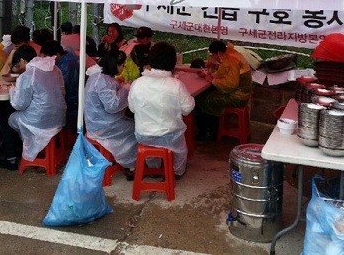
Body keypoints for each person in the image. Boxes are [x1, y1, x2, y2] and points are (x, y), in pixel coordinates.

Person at [128, 42, 195, 178]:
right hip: (169, 136)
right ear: (172, 62)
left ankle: (154, 168)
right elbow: (187, 109)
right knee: (181, 149)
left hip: (143, 135)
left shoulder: (137, 83)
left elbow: (132, 108)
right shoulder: (176, 85)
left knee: (151, 143)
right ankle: (177, 172)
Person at [7, 44, 66, 166]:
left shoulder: (28, 75)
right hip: (59, 117)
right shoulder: (54, 68)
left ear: (22, 61)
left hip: (39, 121)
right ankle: (35, 147)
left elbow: (19, 105)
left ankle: (26, 149)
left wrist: (12, 90)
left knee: (10, 118)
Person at [84, 48, 137, 179]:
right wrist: (125, 89)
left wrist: (118, 85)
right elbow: (113, 106)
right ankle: (131, 164)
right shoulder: (102, 80)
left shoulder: (99, 76)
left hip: (99, 121)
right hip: (103, 126)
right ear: (114, 64)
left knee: (132, 124)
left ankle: (127, 161)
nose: (123, 67)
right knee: (137, 130)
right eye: (122, 65)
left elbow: (107, 95)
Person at [194, 40, 252, 141]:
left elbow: (231, 84)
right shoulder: (230, 54)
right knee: (205, 95)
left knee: (203, 100)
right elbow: (223, 72)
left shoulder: (231, 60)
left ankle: (210, 132)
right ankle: (211, 128)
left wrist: (213, 81)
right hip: (238, 93)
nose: (212, 57)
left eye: (213, 55)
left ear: (219, 53)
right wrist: (210, 71)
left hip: (237, 97)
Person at [40, 40, 80, 130]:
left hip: (72, 105)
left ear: (57, 55)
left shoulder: (68, 65)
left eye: (46, 58)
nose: (44, 61)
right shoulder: (64, 60)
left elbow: (63, 88)